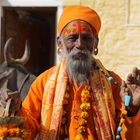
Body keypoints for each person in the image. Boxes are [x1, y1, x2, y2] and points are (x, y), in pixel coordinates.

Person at [18, 5, 140, 140]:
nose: (80, 44)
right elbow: (25, 133)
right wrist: (14, 113)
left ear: (96, 43)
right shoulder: (43, 82)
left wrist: (133, 110)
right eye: (72, 38)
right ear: (60, 43)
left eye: (87, 38)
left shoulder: (114, 84)